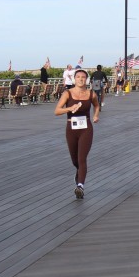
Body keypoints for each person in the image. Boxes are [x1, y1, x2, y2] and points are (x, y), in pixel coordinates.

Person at [55, 68, 99, 199]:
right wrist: (70, 108)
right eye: (78, 77)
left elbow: (97, 106)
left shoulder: (91, 94)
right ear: (74, 79)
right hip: (71, 128)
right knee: (75, 160)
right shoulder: (67, 93)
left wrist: (95, 115)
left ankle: (80, 186)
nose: (81, 79)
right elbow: (57, 111)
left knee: (82, 158)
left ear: (87, 79)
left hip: (86, 128)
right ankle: (79, 174)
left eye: (83, 77)